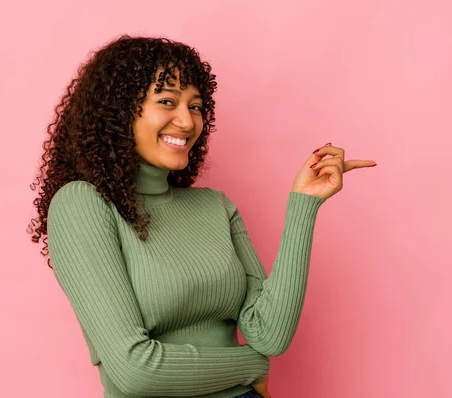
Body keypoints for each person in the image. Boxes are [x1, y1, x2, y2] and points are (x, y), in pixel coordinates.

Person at [28, 35, 376, 398]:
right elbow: (134, 371)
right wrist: (249, 366)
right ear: (116, 112)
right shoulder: (82, 204)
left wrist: (303, 205)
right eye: (167, 102)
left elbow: (268, 334)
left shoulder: (215, 206)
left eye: (195, 106)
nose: (187, 121)